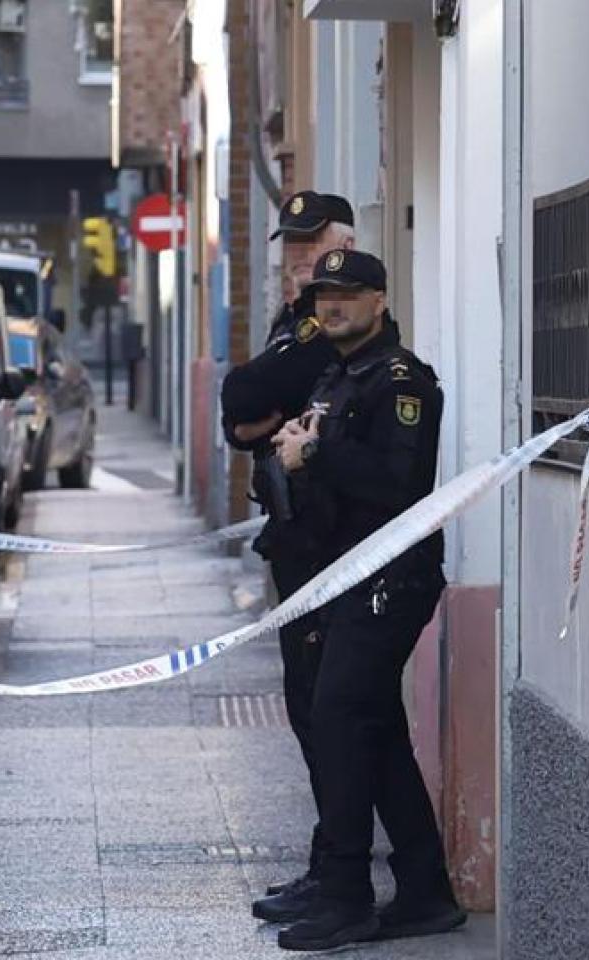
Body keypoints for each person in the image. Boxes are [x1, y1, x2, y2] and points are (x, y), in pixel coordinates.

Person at [269, 250, 466, 951]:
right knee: (374, 729)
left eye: (348, 294)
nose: (333, 305)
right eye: (325, 294)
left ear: (379, 300)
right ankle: (424, 893)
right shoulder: (336, 375)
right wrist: (290, 454)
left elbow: (400, 487)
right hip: (338, 575)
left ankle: (347, 896)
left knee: (340, 717)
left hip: (388, 578)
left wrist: (315, 456)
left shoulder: (402, 382)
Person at [219, 190, 355, 920]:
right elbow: (240, 413)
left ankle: (342, 872)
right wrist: (251, 421)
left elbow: (246, 388)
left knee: (327, 710)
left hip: (323, 541)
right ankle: (333, 864)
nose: (296, 259)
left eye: (311, 245)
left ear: (344, 245)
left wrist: (253, 410)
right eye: (291, 246)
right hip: (294, 533)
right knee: (314, 708)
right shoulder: (294, 321)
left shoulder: (322, 324)